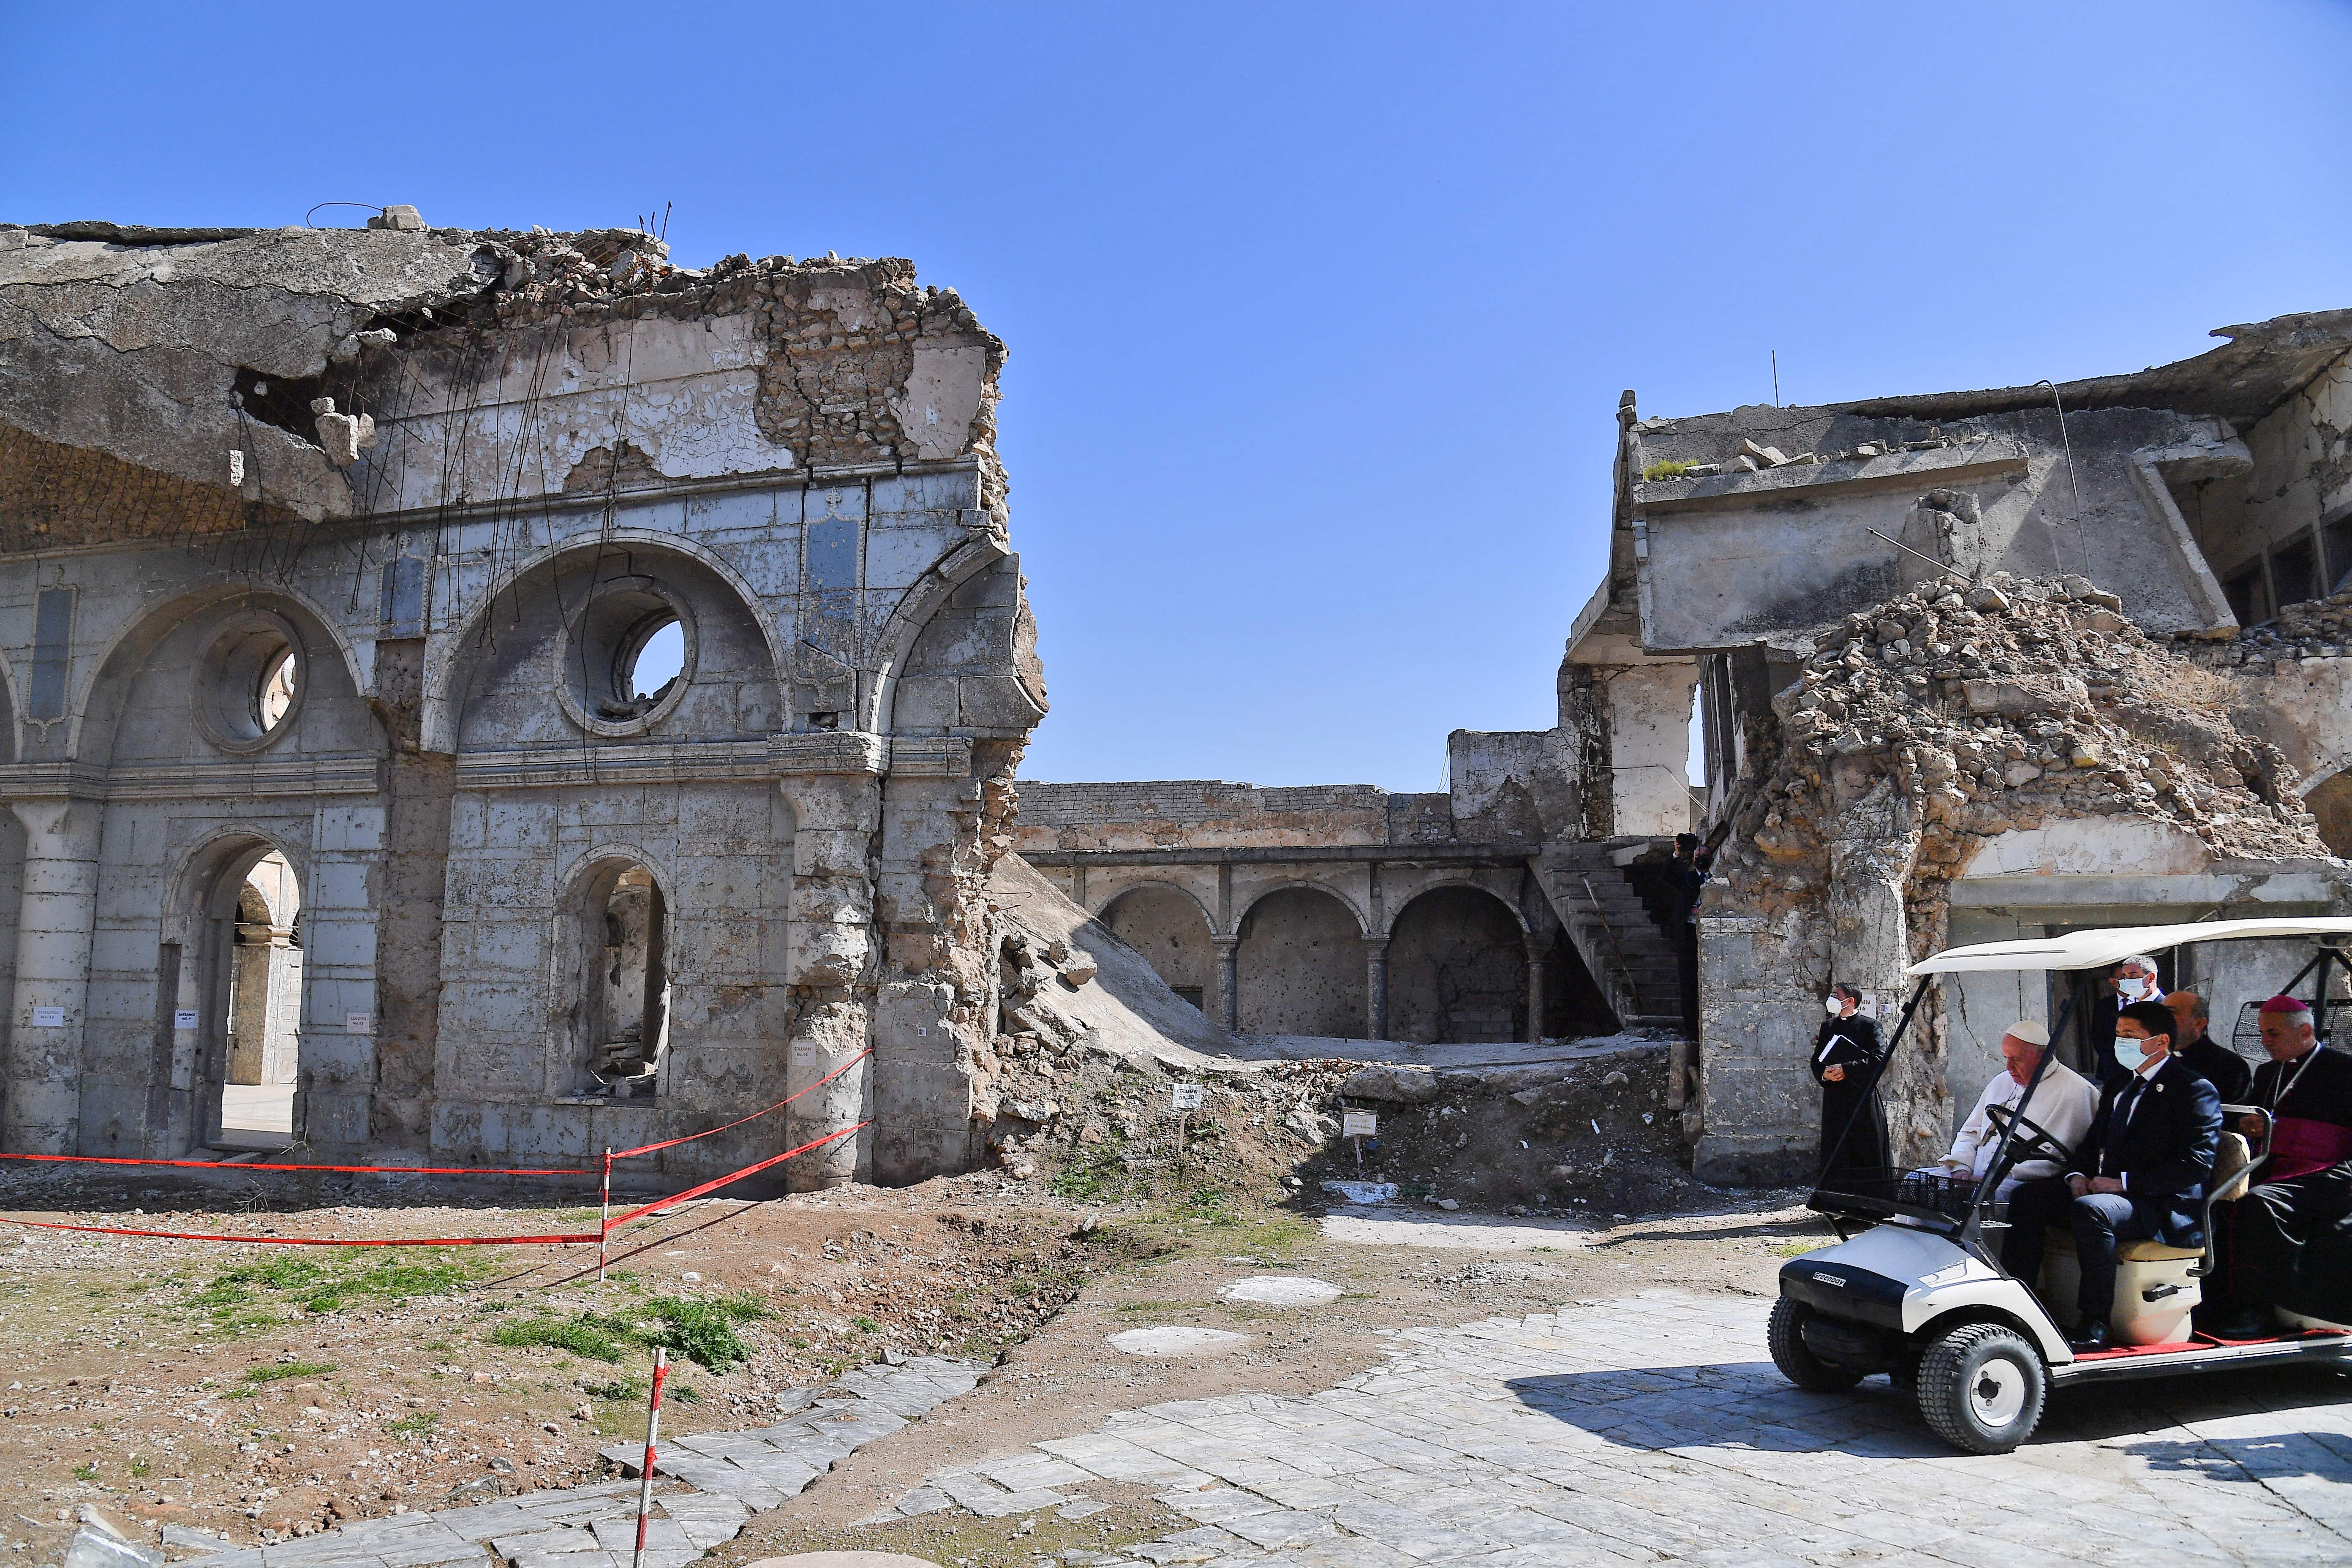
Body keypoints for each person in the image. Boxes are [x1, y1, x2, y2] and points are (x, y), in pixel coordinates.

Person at [2001, 999, 2221, 1351]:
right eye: (2119, 1034)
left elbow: (2195, 1165)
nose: (2121, 1042)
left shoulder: (2192, 1089)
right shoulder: (2122, 1084)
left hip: (2164, 1204)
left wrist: (2123, 1184)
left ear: (2161, 1042)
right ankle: (2019, 1306)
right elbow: (2092, 1142)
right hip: (2119, 1194)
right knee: (2028, 1198)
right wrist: (2076, 1175)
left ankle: (2095, 1321)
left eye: (2131, 1035)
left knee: (2094, 1211)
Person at [2203, 996, 2352, 1337]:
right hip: (2271, 1162)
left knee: (2260, 1203)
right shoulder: (2268, 1072)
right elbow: (2255, 1115)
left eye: (2273, 1034)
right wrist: (2249, 1125)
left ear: (2304, 1031)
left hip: (2328, 1170)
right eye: (2262, 1034)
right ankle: (2215, 1301)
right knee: (2211, 1194)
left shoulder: (2344, 1070)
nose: (2265, 1042)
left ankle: (2259, 1309)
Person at [1923, 1021, 2098, 1197]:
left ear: (2043, 1056)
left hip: (2016, 1181)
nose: (2009, 1067)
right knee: (1917, 1181)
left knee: (1982, 1197)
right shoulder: (2001, 1081)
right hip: (1972, 1175)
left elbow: (2059, 1158)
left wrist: (1992, 1177)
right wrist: (1962, 1168)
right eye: (2006, 1058)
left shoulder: (2077, 1091)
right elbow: (1970, 1133)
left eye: (2016, 1059)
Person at [1811, 983, 1889, 1193]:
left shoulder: (1870, 1026)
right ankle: (1836, 1201)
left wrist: (1847, 1069)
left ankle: (1868, 1205)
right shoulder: (1828, 1027)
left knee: (1863, 1150)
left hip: (1860, 1099)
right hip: (1835, 1099)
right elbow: (1817, 1062)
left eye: (1837, 995)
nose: (1833, 998)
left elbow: (1879, 1060)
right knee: (1836, 1150)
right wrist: (1824, 1073)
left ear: (1851, 1000)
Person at [2162, 990, 2253, 1103]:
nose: (2162, 1019)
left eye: (2171, 1013)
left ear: (2199, 1024)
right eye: (2160, 1013)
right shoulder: (2152, 1059)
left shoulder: (2229, 1066)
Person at [2087, 955, 2166, 1082]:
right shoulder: (2129, 1009)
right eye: (2124, 976)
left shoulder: (2168, 1008)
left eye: (2133, 976)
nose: (2127, 981)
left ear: (2150, 977)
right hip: (2120, 1078)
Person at [1670, 833, 1710, 1033]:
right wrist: (1678, 855)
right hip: (1687, 933)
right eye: (1697, 856)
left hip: (1707, 934)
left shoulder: (1715, 879)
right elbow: (1668, 876)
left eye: (1704, 856)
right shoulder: (1688, 878)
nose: (1700, 859)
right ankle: (1690, 1027)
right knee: (1687, 981)